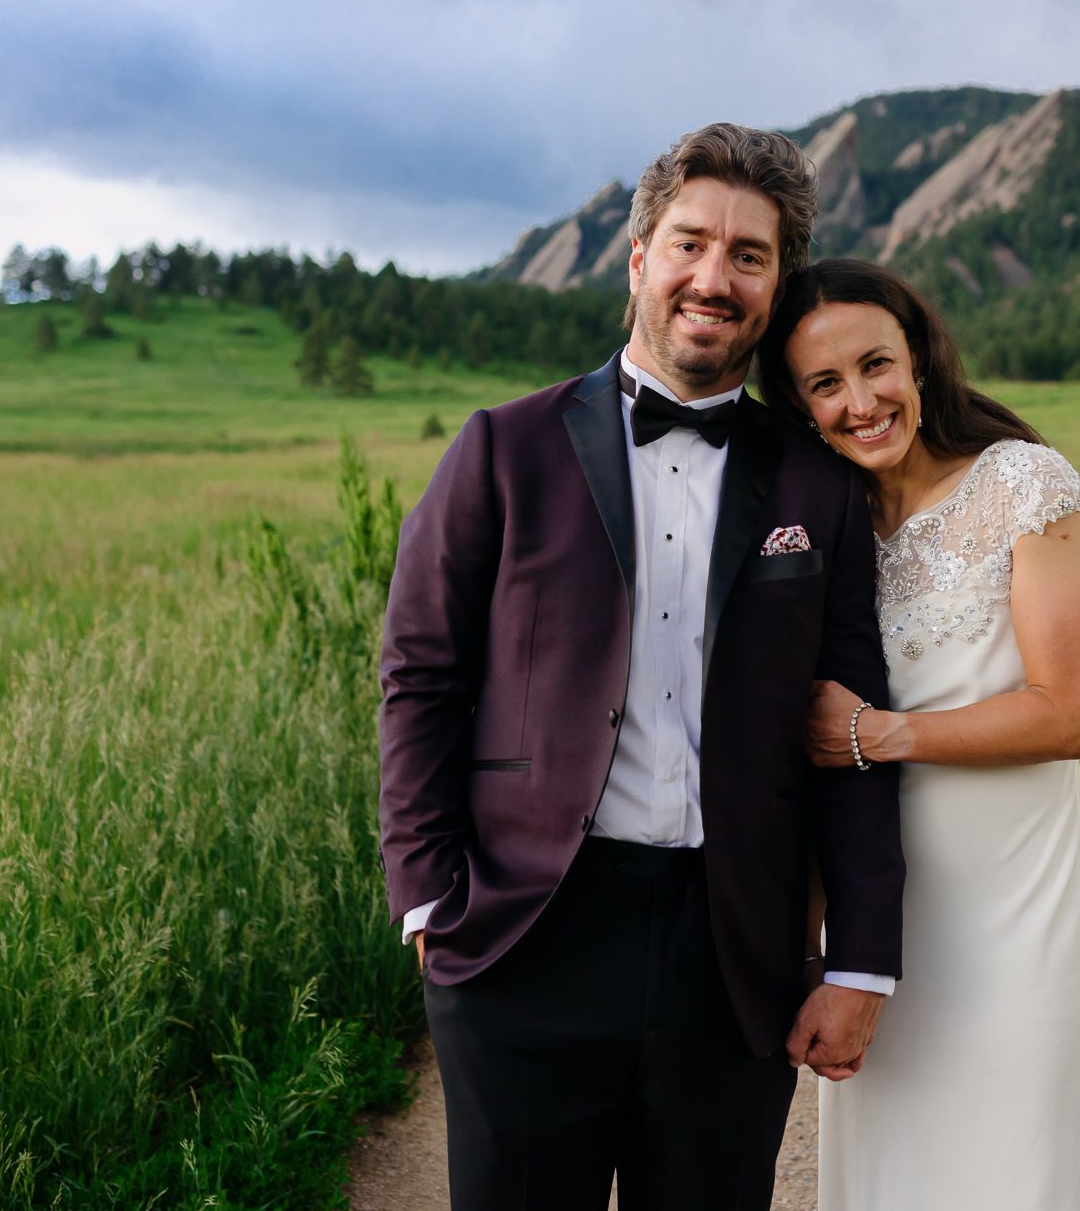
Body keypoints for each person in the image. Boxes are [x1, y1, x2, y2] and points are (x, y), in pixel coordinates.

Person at [377, 125, 905, 1211]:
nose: (713, 278)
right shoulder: (499, 449)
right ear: (636, 258)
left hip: (733, 952)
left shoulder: (815, 487)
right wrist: (429, 896)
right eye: (688, 243)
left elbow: (854, 733)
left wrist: (858, 960)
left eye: (748, 256)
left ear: (772, 284)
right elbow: (420, 677)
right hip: (527, 941)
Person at [759, 258, 1080, 1211]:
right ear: (798, 406)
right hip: (884, 928)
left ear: (917, 358)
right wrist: (820, 949)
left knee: (1016, 1170)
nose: (862, 401)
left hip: (1015, 915)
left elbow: (1070, 712)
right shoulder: (821, 528)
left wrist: (885, 734)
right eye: (825, 384)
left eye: (877, 364)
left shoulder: (1023, 485)